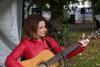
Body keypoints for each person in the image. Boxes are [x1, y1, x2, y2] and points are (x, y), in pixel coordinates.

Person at [5, 14, 89, 67]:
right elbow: (9, 60)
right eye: (41, 28)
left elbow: (65, 54)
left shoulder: (49, 40)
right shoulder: (25, 44)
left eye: (45, 26)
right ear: (32, 29)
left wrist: (80, 47)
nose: (45, 30)